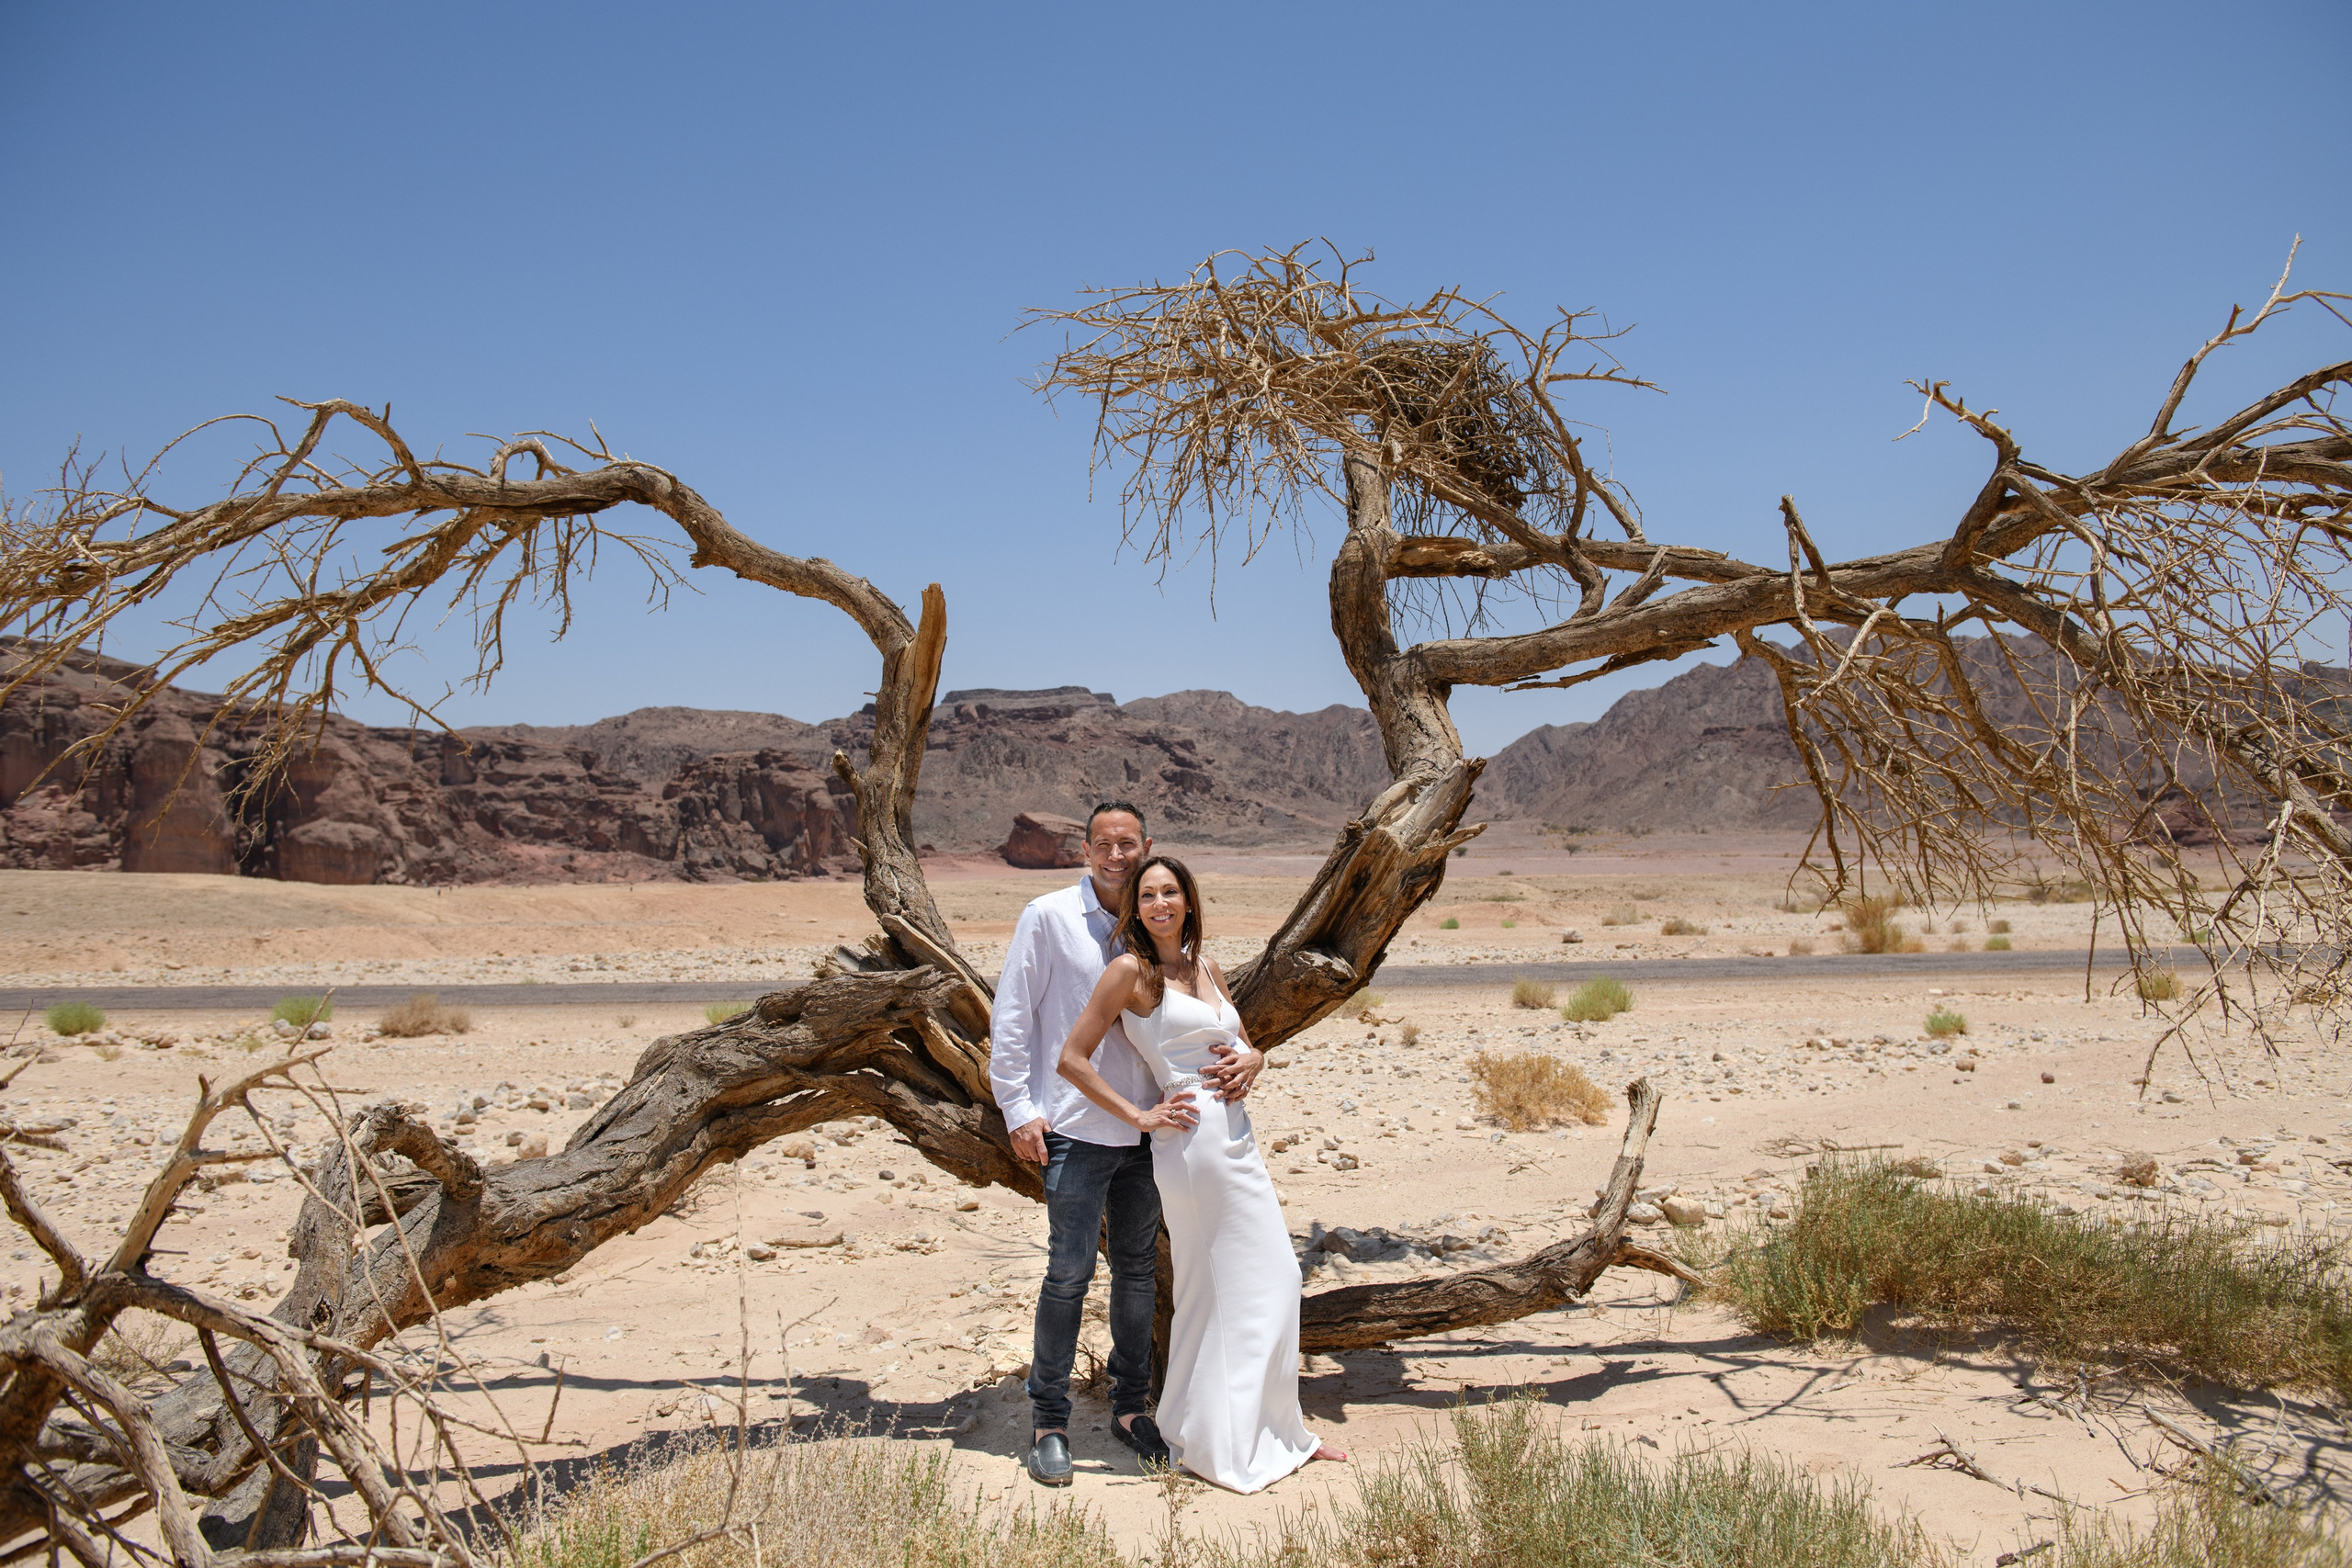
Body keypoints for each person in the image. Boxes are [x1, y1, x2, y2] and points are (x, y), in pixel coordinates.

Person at [989, 804, 1262, 1488]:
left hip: (1157, 1142)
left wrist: (1252, 1059)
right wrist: (1018, 1108)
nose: (1116, 853)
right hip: (1078, 1131)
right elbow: (1015, 1013)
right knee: (1068, 1274)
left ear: (1148, 847)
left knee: (1138, 1273)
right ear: (1085, 847)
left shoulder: (1162, 939)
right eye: (1103, 843)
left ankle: (1130, 1408)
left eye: (1128, 843)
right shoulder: (1048, 916)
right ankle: (1049, 1418)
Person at [1056, 854, 1348, 1494]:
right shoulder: (1130, 972)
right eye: (1148, 894)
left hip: (1237, 1137)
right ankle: (1215, 1443)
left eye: (1170, 891)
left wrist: (1259, 1061)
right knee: (1211, 1285)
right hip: (1190, 1144)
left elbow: (1242, 1041)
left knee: (1271, 1276)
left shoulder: (1206, 965)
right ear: (1135, 908)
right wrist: (1140, 1111)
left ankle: (1272, 1429)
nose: (1160, 903)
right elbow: (1072, 1058)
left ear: (1188, 900)